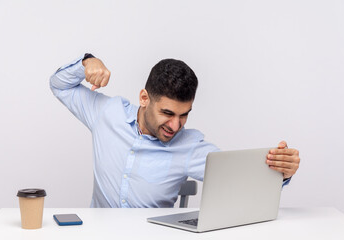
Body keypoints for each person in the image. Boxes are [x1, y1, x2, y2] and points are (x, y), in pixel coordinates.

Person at [50, 53, 300, 208]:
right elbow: (60, 86)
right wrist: (87, 62)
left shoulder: (189, 147)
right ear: (144, 98)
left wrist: (282, 172)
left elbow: (239, 179)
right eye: (167, 113)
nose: (175, 126)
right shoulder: (107, 114)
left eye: (184, 115)